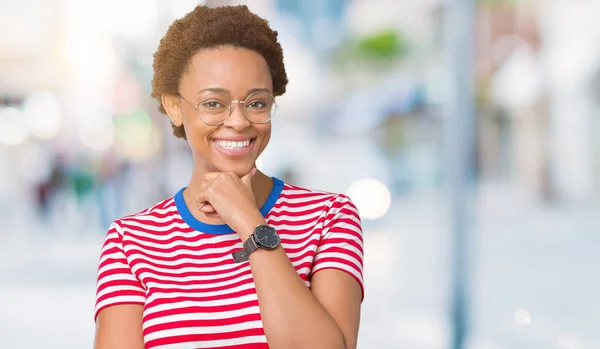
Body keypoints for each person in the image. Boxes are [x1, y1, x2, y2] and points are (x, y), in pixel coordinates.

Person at [94, 5, 364, 349]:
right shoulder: (130, 242)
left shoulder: (329, 218)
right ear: (175, 107)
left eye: (256, 103)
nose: (238, 121)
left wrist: (250, 223)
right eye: (213, 103)